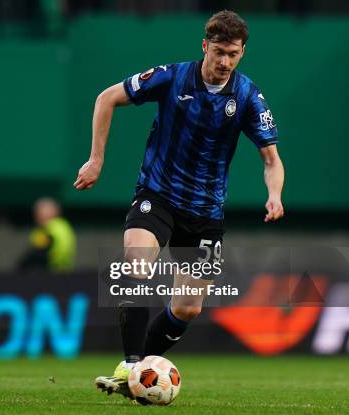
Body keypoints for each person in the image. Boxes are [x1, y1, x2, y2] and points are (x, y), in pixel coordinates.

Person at [73, 10, 284, 398]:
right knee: (135, 263)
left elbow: (271, 159)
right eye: (218, 52)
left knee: (188, 308)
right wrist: (97, 158)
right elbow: (107, 98)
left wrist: (274, 194)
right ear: (205, 46)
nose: (224, 62)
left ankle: (136, 375)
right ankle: (133, 363)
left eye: (233, 54)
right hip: (158, 194)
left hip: (206, 213)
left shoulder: (249, 96)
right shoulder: (172, 77)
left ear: (242, 54)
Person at [18, 197, 76, 273]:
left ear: (54, 211)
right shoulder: (63, 226)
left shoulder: (51, 228)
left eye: (41, 211)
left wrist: (22, 266)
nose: (37, 215)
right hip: (62, 273)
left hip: (51, 273)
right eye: (37, 212)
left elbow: (40, 251)